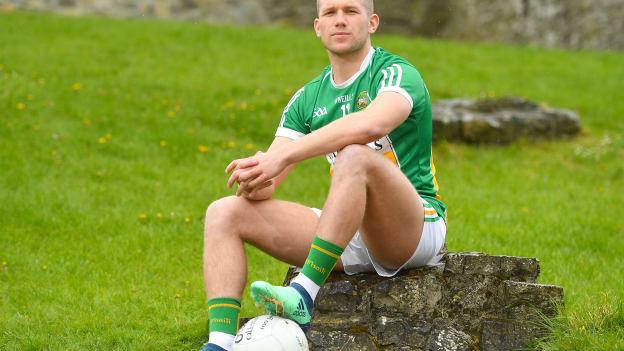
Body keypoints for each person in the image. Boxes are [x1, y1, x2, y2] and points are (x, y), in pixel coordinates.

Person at [200, 0, 446, 350]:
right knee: (223, 212)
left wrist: (284, 155)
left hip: (414, 228)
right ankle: (219, 343)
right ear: (318, 27)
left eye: (351, 11)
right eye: (330, 13)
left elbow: (373, 123)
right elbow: (270, 182)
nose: (340, 20)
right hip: (349, 231)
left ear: (372, 22)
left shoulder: (396, 73)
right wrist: (255, 175)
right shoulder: (307, 98)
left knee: (354, 156)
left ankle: (304, 294)